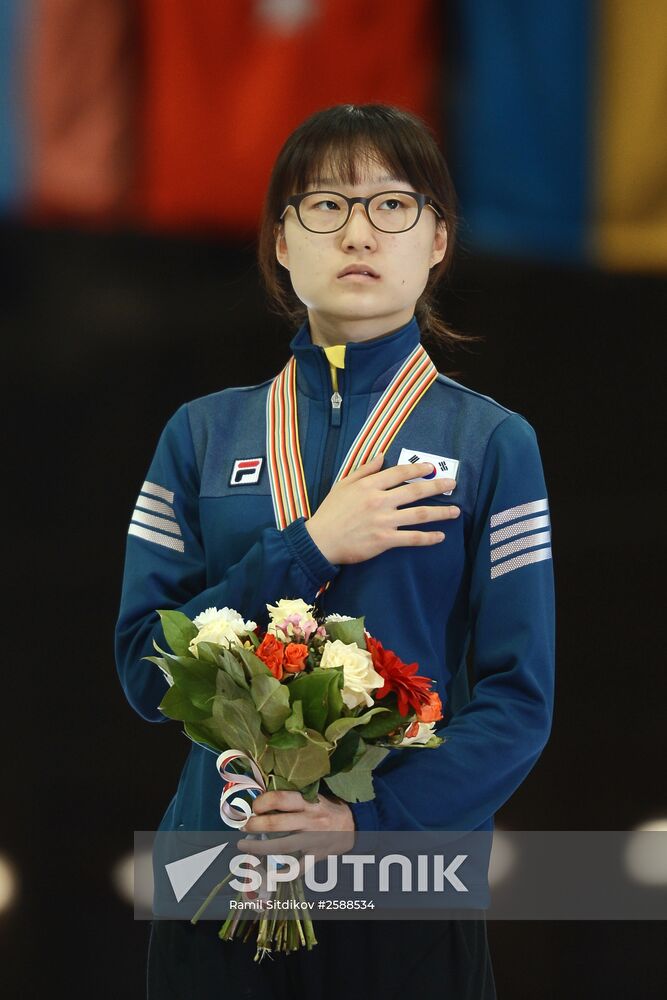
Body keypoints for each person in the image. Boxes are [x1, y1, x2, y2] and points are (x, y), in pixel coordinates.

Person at [115, 103, 555, 999]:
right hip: (216, 874)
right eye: (324, 205)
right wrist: (309, 545)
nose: (357, 232)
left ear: (437, 240)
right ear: (281, 241)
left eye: (391, 205)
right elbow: (143, 673)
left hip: (402, 890)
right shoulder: (201, 435)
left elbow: (518, 702)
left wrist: (369, 822)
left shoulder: (490, 445)